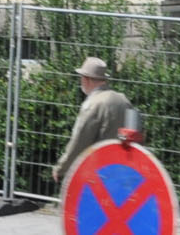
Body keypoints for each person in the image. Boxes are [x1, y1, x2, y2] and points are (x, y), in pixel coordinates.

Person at [52, 56, 135, 192]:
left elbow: (79, 141)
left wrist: (61, 168)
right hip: (123, 170)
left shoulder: (93, 104)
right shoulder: (123, 100)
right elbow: (136, 133)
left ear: (86, 79)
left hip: (97, 173)